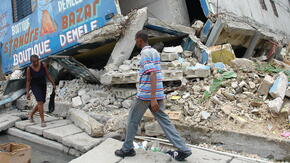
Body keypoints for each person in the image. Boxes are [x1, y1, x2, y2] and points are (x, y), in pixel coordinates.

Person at [115, 30, 192, 161]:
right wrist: (156, 96)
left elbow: (152, 74)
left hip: (146, 95)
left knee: (132, 120)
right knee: (165, 122)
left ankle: (127, 149)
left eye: (136, 40)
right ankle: (184, 149)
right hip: (157, 93)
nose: (135, 43)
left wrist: (153, 99)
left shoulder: (145, 53)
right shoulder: (155, 52)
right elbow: (155, 72)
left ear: (139, 40)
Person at [26, 55, 56, 127]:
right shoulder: (29, 69)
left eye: (37, 61)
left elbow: (48, 74)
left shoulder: (43, 65)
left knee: (42, 102)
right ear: (31, 62)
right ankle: (42, 121)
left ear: (38, 60)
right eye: (34, 62)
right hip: (35, 86)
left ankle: (31, 114)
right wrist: (27, 92)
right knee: (40, 101)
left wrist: (53, 83)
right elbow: (28, 80)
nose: (36, 63)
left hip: (43, 85)